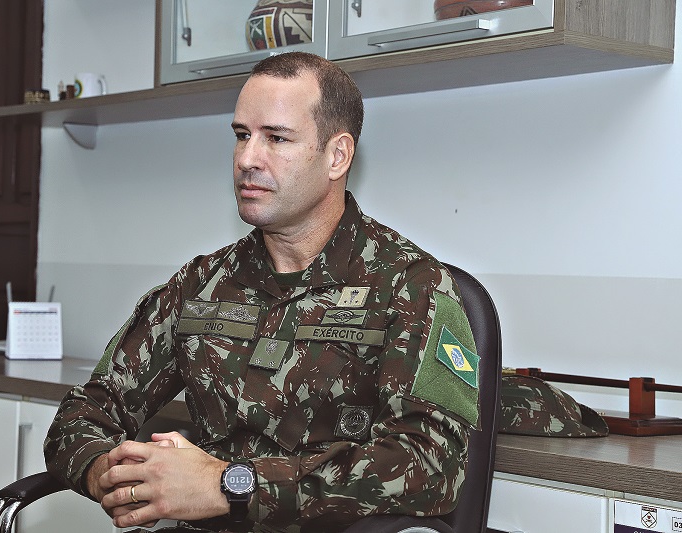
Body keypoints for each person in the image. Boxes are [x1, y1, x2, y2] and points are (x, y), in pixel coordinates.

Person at [45, 51, 480, 533]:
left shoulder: (410, 285)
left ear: (337, 156)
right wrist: (109, 472)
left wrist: (230, 484)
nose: (248, 159)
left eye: (276, 138)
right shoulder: (201, 284)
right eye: (241, 136)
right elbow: (86, 411)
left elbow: (428, 466)